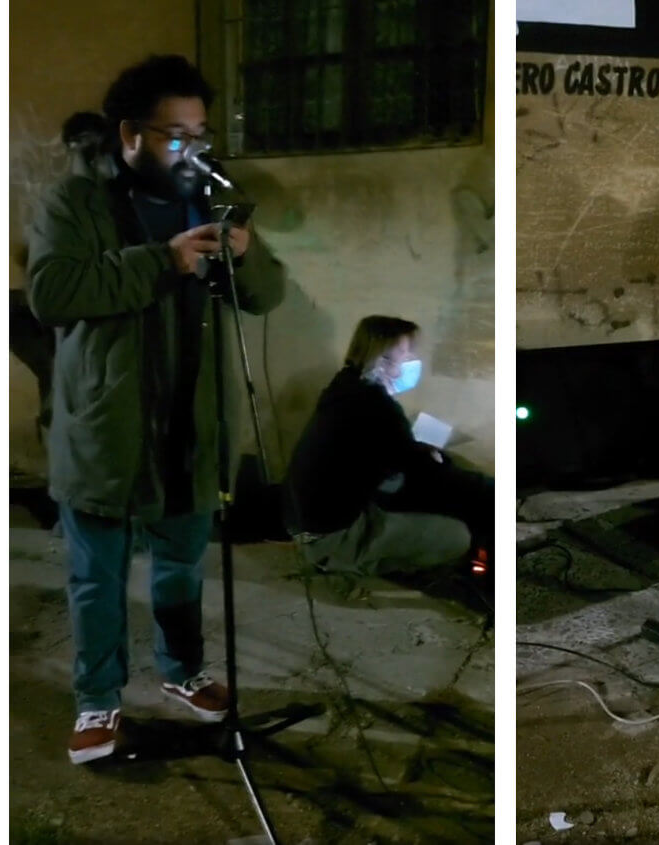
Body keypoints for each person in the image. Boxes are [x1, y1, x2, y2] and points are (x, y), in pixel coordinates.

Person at [27, 54, 287, 765]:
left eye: (199, 133)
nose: (191, 149)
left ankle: (183, 671)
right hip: (103, 430)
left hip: (191, 427)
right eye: (175, 135)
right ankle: (97, 700)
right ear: (129, 135)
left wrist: (246, 253)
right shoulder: (74, 204)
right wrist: (159, 261)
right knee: (97, 579)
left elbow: (266, 296)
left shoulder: (208, 198)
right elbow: (52, 293)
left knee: (181, 566)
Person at [284, 316, 493, 578]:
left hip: (309, 524)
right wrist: (491, 490)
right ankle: (355, 563)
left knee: (420, 485)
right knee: (456, 536)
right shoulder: (376, 407)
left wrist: (419, 453)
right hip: (333, 538)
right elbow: (428, 474)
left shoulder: (345, 387)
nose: (412, 361)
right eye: (406, 354)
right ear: (381, 359)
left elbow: (391, 451)